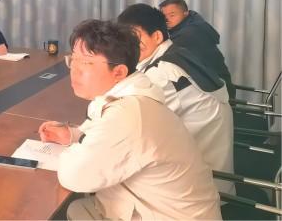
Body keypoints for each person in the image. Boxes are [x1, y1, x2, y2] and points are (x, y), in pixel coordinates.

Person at [39, 19, 221, 220]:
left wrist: (71, 150)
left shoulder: (128, 114)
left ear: (119, 72)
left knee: (62, 208)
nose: (75, 69)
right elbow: (107, 134)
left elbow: (74, 176)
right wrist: (74, 135)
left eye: (86, 62)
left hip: (166, 216)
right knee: (78, 209)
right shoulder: (133, 96)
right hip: (158, 207)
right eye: (73, 59)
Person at [118, 3, 234, 190]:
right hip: (215, 171)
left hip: (196, 187)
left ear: (157, 36)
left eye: (134, 37)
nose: (127, 46)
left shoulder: (162, 73)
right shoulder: (177, 52)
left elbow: (135, 129)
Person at [159, 0, 234, 98]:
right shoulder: (192, 24)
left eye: (172, 15)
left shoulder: (190, 33)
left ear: (185, 13)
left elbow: (162, 56)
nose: (167, 20)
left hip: (216, 92)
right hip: (217, 86)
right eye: (164, 16)